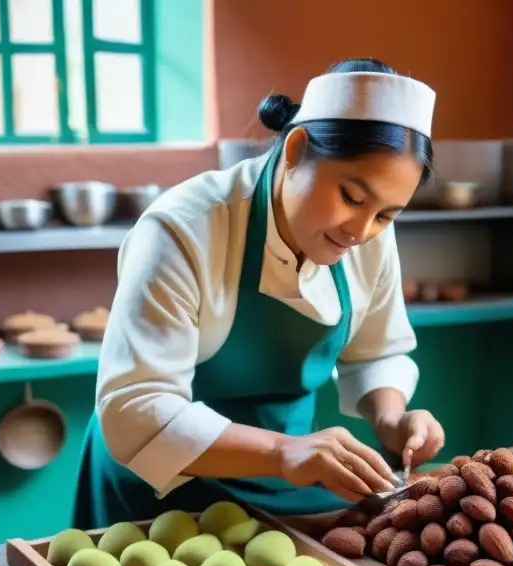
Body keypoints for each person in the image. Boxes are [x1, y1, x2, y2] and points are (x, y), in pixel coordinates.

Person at [73, 58, 446, 530]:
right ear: (295, 149)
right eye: (352, 197)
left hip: (283, 486)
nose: (362, 230)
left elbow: (375, 350)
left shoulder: (365, 234)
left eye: (386, 215)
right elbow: (136, 409)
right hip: (159, 488)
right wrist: (284, 451)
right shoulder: (183, 229)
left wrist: (392, 419)